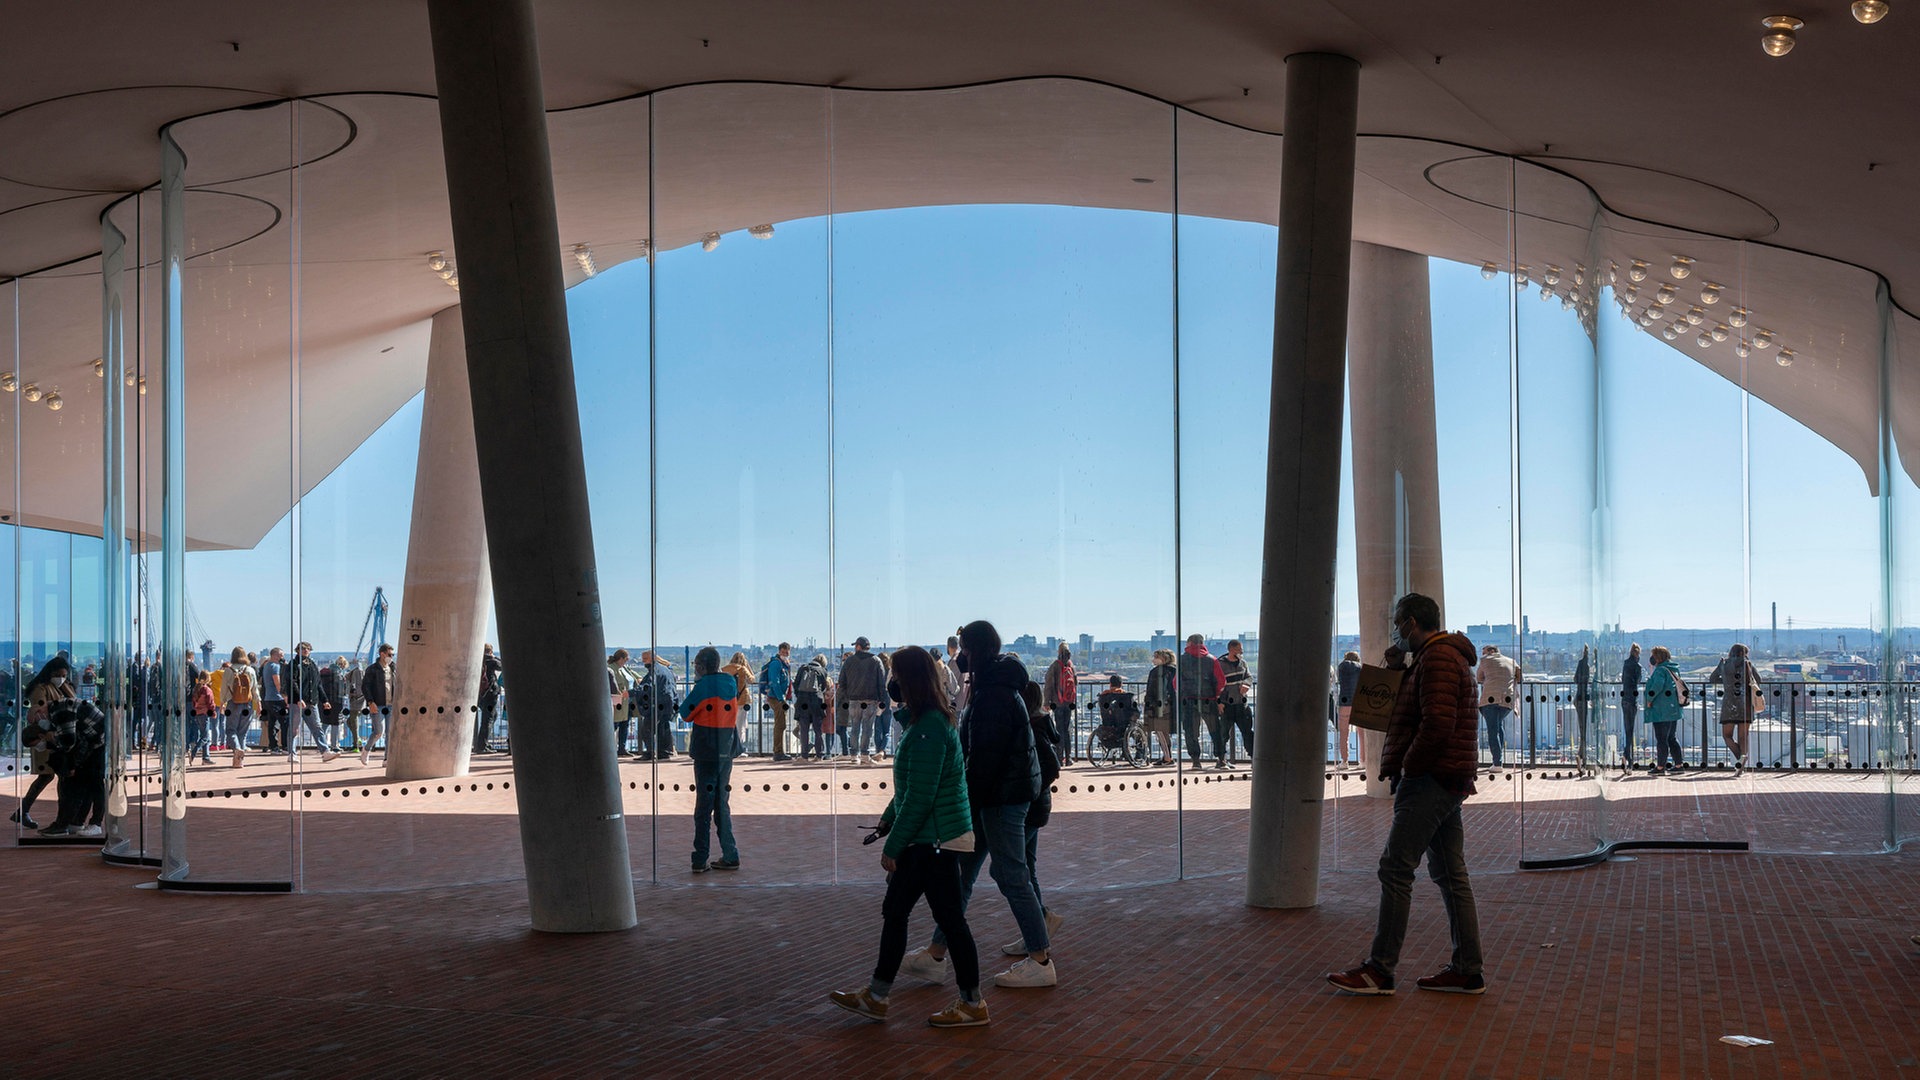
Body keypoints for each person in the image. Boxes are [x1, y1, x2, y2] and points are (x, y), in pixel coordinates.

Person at [1327, 592, 1486, 996]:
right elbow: (1418, 710)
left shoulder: (1436, 661)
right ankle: (1467, 969)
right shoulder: (1438, 659)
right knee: (1451, 874)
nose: (1397, 630)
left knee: (1395, 868)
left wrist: (1410, 767)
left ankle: (1380, 970)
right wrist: (1397, 668)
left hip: (1430, 778)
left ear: (1413, 622)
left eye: (1399, 622)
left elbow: (1436, 724)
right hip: (1445, 777)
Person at [828, 645, 988, 1029]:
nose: (891, 683)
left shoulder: (927, 728)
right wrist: (888, 820)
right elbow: (911, 791)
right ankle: (881, 994)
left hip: (932, 841)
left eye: (895, 675)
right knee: (914, 915)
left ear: (909, 680)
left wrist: (894, 843)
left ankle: (966, 1002)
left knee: (935, 919)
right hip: (931, 839)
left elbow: (920, 796)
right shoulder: (926, 723)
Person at [898, 619, 1057, 990]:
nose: (961, 656)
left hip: (997, 800)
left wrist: (964, 802)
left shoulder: (992, 694)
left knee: (1010, 876)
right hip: (999, 797)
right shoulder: (999, 687)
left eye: (964, 648)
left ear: (974, 650)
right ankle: (937, 953)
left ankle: (1040, 958)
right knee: (967, 876)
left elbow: (984, 757)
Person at [1008, 679, 1065, 958]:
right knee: (1026, 867)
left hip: (1030, 807)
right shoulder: (1041, 725)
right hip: (1037, 807)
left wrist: (1029, 787)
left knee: (1013, 869)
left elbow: (1049, 768)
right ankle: (1036, 927)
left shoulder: (1031, 729)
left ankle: (1038, 923)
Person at [681, 646, 742, 872]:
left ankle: (700, 858)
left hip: (706, 751)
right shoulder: (730, 683)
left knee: (703, 807)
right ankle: (730, 854)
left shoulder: (703, 686)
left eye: (696, 664)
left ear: (702, 666)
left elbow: (685, 713)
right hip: (726, 750)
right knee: (721, 804)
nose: (695, 668)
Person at [9, 656, 77, 829]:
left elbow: (73, 701)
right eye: (59, 675)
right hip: (44, 737)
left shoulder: (59, 686)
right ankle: (61, 819)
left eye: (64, 675)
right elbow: (38, 713)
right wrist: (47, 733)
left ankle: (24, 812)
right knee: (54, 775)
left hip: (56, 736)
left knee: (50, 776)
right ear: (51, 672)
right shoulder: (40, 688)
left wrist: (63, 685)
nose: (62, 678)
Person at [1177, 634, 1224, 769]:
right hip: (1209, 699)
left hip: (1189, 700)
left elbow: (1176, 682)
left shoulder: (1182, 659)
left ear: (1190, 643)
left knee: (1191, 731)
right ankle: (1221, 759)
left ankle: (1196, 761)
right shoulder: (1212, 659)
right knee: (1215, 730)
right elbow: (1221, 681)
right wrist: (1215, 695)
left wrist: (1182, 694)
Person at [838, 636, 886, 765]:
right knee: (867, 728)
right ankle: (864, 755)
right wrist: (882, 701)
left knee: (854, 728)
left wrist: (847, 696)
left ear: (858, 647)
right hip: (870, 700)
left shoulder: (849, 661)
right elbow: (881, 683)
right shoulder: (876, 661)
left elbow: (841, 681)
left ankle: (854, 755)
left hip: (853, 700)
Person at [1717, 642, 1761, 775]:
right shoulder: (1748, 664)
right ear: (1744, 654)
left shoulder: (1724, 664)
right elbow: (1758, 680)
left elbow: (1712, 678)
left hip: (1729, 704)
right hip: (1745, 704)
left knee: (1726, 735)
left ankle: (1740, 758)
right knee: (1743, 736)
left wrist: (1726, 681)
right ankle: (1742, 758)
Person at [1642, 646, 1687, 775]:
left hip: (1661, 710)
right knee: (1671, 738)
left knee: (1661, 739)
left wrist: (1649, 699)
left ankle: (1660, 767)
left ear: (1658, 657)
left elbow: (1657, 685)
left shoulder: (1660, 670)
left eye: (1654, 656)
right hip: (1673, 710)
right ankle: (1679, 765)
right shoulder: (1673, 668)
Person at [1474, 645, 1519, 769]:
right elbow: (1520, 677)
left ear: (1491, 651)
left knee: (1492, 731)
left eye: (1484, 652)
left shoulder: (1485, 661)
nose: (1483, 655)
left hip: (1490, 699)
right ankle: (1499, 759)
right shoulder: (1512, 661)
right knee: (1498, 726)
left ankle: (1497, 763)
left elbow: (1479, 678)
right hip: (1507, 701)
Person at [1217, 639, 1253, 768]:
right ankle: (1221, 759)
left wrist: (1246, 684)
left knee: (1247, 732)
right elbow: (1216, 684)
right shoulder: (1220, 665)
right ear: (1231, 649)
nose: (1241, 652)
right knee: (1223, 733)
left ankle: (1253, 758)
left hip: (1242, 704)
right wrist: (1219, 702)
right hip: (1227, 705)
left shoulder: (1242, 663)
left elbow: (1249, 676)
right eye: (1239, 649)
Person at [635, 651, 676, 760]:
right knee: (662, 727)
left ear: (652, 658)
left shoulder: (654, 671)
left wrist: (631, 692)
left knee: (646, 729)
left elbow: (647, 686)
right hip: (668, 702)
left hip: (658, 703)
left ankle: (649, 753)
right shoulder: (665, 669)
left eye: (645, 659)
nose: (643, 661)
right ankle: (665, 752)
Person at [360, 644, 395, 765]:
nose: (392, 657)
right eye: (390, 654)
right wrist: (370, 702)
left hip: (391, 705)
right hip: (377, 704)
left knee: (390, 733)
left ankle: (387, 759)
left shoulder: (393, 668)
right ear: (382, 654)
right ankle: (366, 750)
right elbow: (365, 686)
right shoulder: (372, 669)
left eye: (393, 655)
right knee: (378, 731)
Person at [223, 647, 258, 768]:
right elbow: (255, 690)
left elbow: (223, 689)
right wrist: (258, 703)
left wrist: (222, 702)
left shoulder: (228, 670)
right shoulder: (250, 670)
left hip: (233, 702)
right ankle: (239, 760)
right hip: (247, 704)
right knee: (243, 732)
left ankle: (237, 749)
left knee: (231, 730)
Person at [759, 642, 794, 761]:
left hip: (779, 697)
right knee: (780, 725)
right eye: (784, 652)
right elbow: (775, 681)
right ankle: (778, 752)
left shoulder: (784, 664)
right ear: (779, 652)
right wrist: (781, 698)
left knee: (781, 724)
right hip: (777, 698)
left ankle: (779, 751)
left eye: (787, 653)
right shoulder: (776, 664)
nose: (785, 654)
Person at [792, 653, 830, 760]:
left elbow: (796, 684)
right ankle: (819, 755)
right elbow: (822, 687)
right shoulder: (823, 671)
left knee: (804, 729)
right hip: (817, 702)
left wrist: (799, 695)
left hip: (803, 702)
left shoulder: (803, 668)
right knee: (818, 730)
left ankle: (804, 756)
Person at [1043, 644, 1077, 766]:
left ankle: (1059, 758)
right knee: (1067, 730)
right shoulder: (1071, 666)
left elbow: (1049, 685)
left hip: (1057, 703)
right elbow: (1076, 683)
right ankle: (1068, 758)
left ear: (1058, 651)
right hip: (1069, 703)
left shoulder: (1055, 666)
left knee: (1059, 730)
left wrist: (1047, 702)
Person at [291, 643, 326, 755]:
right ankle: (292, 753)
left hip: (311, 702)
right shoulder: (294, 664)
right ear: (297, 650)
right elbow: (292, 682)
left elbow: (318, 684)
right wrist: (298, 698)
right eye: (303, 648)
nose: (306, 650)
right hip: (297, 702)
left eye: (308, 649)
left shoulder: (312, 665)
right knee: (294, 729)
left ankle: (325, 751)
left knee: (317, 727)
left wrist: (324, 700)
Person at [1143, 648, 1176, 765]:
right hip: (1170, 704)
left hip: (1158, 704)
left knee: (1160, 730)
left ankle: (1167, 757)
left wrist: (1149, 704)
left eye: (1156, 657)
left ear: (1163, 658)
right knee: (1164, 731)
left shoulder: (1156, 672)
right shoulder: (1174, 671)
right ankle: (1168, 756)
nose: (1153, 660)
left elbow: (1152, 690)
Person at [723, 651, 756, 754]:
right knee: (740, 725)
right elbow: (752, 680)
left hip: (728, 700)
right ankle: (738, 748)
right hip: (742, 700)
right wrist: (748, 666)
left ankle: (728, 747)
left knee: (729, 723)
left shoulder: (725, 669)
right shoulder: (742, 669)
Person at [319, 656, 349, 760]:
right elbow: (340, 689)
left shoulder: (326, 672)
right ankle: (334, 745)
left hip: (325, 700)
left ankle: (321, 743)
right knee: (336, 723)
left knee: (326, 722)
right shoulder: (338, 674)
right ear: (342, 665)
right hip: (336, 700)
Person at [1334, 650, 1361, 768]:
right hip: (1358, 703)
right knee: (1362, 734)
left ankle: (1344, 761)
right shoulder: (1360, 668)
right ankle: (1363, 761)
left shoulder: (1341, 667)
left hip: (1344, 703)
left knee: (1344, 734)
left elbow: (1338, 682)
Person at [475, 644, 503, 755]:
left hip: (481, 694)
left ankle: (482, 743)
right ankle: (482, 746)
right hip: (490, 693)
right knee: (488, 719)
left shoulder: (478, 659)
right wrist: (494, 657)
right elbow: (502, 665)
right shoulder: (491, 661)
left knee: (492, 716)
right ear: (490, 651)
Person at [1619, 643, 1644, 769]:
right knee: (1630, 730)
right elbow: (1638, 680)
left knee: (1627, 729)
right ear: (1638, 654)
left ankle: (1627, 756)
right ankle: (1627, 757)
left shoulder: (1625, 664)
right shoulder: (1637, 666)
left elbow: (1623, 679)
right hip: (1633, 699)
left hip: (1624, 699)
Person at [609, 649, 637, 756]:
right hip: (618, 702)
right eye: (626, 659)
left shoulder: (624, 668)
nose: (626, 662)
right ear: (621, 659)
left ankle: (622, 748)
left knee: (625, 725)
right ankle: (611, 749)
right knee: (614, 725)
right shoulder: (612, 669)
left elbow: (633, 676)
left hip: (627, 702)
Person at [189, 670, 218, 765]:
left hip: (197, 713)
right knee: (205, 737)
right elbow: (210, 703)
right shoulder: (206, 689)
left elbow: (194, 702)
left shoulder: (196, 688)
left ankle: (206, 758)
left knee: (204, 735)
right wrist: (213, 712)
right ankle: (194, 752)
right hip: (205, 714)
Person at [1572, 643, 1592, 770]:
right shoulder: (1587, 666)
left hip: (1578, 698)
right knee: (1583, 730)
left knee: (1582, 728)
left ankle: (1581, 755)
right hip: (1582, 699)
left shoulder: (1581, 664)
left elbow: (1575, 679)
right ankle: (1582, 757)